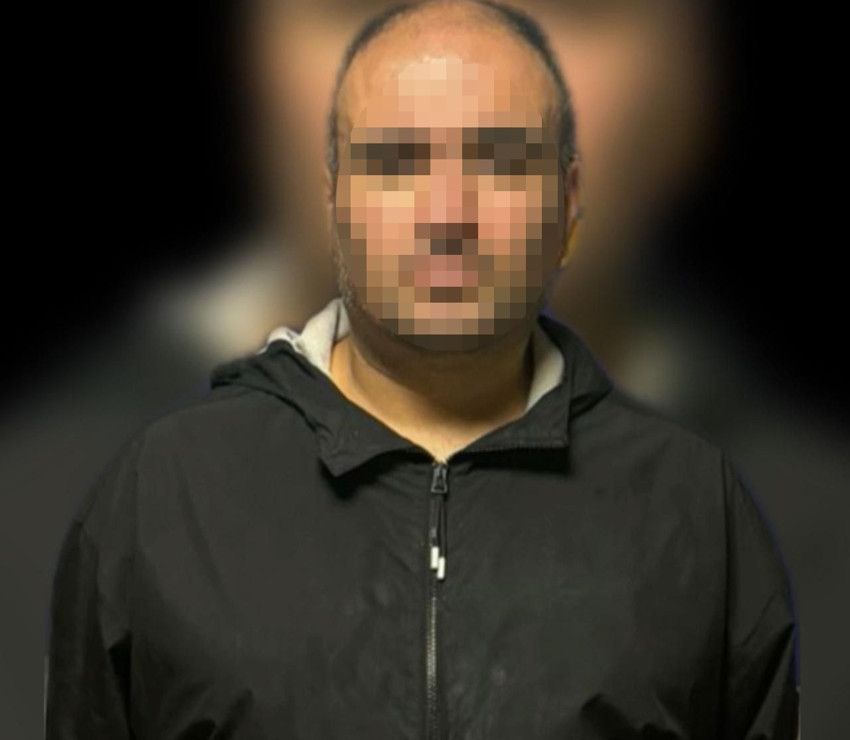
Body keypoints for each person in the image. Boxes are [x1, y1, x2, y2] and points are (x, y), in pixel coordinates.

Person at [44, 1, 799, 737]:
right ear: (335, 200)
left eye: (500, 162)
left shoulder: (693, 506)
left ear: (568, 205)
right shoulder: (166, 491)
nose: (447, 216)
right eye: (397, 162)